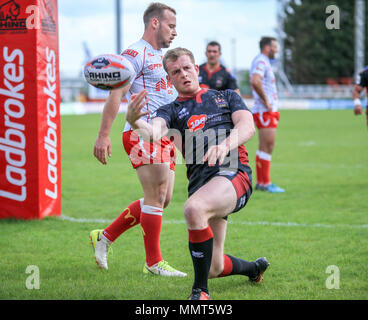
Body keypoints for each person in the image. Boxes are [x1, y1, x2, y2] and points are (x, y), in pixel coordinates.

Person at [126, 47, 270, 300]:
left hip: (234, 173)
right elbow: (154, 133)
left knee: (194, 209)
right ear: (169, 79)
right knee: (214, 267)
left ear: (196, 68)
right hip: (203, 185)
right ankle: (254, 269)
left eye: (186, 68)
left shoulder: (225, 96)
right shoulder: (169, 110)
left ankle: (200, 293)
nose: (183, 74)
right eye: (175, 72)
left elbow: (247, 125)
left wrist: (225, 145)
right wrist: (136, 121)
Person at [89, 2, 186, 277]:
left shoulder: (160, 56)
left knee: (162, 199)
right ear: (154, 23)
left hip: (163, 135)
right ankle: (154, 263)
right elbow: (116, 94)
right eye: (171, 25)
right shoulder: (134, 53)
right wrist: (103, 135)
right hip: (141, 133)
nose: (174, 32)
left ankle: (104, 238)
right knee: (155, 196)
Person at [250, 36, 285, 193]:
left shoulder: (263, 61)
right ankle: (265, 183)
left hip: (266, 110)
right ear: (267, 47)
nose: (276, 50)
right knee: (267, 146)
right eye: (275, 47)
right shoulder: (262, 61)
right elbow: (255, 81)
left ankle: (262, 182)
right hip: (265, 111)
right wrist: (266, 101)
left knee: (265, 146)